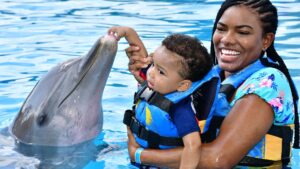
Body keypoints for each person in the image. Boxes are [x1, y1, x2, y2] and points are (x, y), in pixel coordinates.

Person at [123, 0, 299, 168]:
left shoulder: (267, 85)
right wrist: (151, 78)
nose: (227, 39)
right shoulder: (211, 77)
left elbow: (218, 159)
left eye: (243, 32)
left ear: (266, 40)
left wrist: (138, 154)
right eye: (221, 29)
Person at [108, 26, 219, 168]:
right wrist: (128, 33)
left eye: (160, 71)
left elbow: (193, 145)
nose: (151, 72)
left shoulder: (179, 108)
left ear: (183, 86)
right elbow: (141, 57)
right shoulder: (157, 82)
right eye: (154, 64)